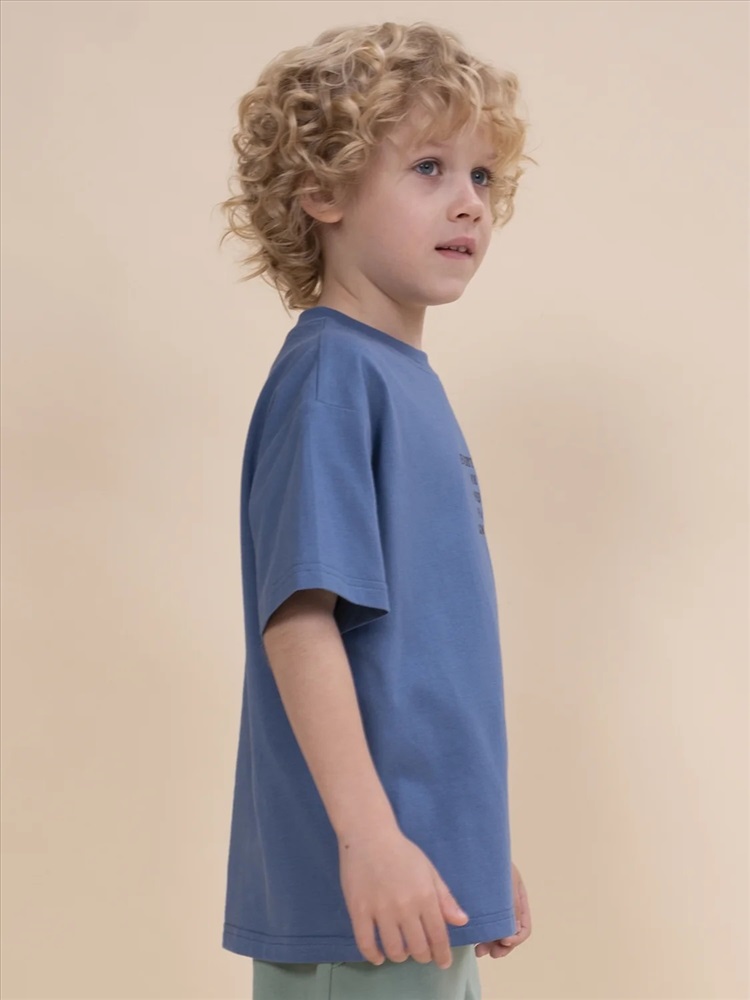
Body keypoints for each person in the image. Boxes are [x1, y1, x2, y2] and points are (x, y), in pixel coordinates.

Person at [217, 19, 535, 1000]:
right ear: (323, 190)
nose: (468, 201)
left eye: (482, 175)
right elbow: (300, 620)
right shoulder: (333, 378)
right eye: (429, 167)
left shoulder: (396, 379)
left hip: (420, 880)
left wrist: (472, 842)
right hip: (364, 893)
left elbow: (423, 661)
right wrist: (369, 838)